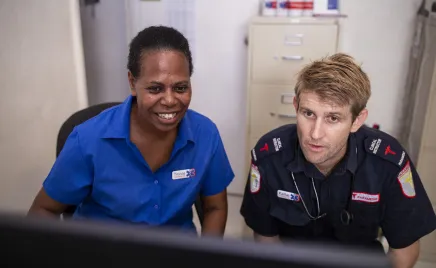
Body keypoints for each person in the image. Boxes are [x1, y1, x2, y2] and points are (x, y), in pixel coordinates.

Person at [28, 26, 234, 237]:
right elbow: (44, 210)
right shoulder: (89, 140)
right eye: (155, 88)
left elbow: (214, 208)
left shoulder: (205, 135)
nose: (170, 100)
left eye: (180, 88)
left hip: (176, 253)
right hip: (106, 254)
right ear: (132, 83)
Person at [240, 53, 436, 268]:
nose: (315, 134)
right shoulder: (269, 156)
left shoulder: (387, 162)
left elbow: (404, 253)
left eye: (333, 118)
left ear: (357, 120)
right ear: (296, 106)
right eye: (308, 113)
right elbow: (267, 240)